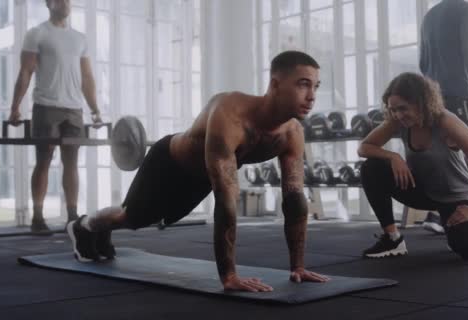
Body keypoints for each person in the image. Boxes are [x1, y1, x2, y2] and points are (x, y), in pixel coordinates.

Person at [66, 50, 330, 292]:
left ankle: (101, 231)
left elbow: (294, 200)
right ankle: (83, 225)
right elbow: (227, 201)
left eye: (315, 86)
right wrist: (229, 276)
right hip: (169, 164)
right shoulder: (229, 114)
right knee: (132, 218)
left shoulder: (292, 133)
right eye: (303, 84)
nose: (312, 96)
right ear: (275, 84)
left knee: (145, 220)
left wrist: (298, 266)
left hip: (200, 178)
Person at [358, 72, 468, 260]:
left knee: (467, 250)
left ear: (421, 103)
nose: (398, 114)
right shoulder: (398, 122)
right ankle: (392, 239)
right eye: (393, 109)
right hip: (422, 191)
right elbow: (364, 147)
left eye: (403, 108)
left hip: (454, 196)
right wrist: (393, 157)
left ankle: (449, 222)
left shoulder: (446, 121)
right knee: (371, 168)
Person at [8, 0, 102, 232]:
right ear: (49, 4)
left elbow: (87, 78)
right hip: (46, 106)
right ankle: (38, 217)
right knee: (44, 159)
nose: (66, 4)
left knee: (71, 162)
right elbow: (26, 71)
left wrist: (95, 110)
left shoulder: (80, 38)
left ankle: (71, 215)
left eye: (68, 0)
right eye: (60, 0)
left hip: (74, 109)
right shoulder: (37, 33)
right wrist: (14, 108)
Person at [420, 0, 468, 236]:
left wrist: (431, 89)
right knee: (465, 155)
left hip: (432, 93)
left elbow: (423, 60)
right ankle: (460, 218)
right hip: (459, 91)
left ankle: (438, 214)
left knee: (443, 154)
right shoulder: (467, 9)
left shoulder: (430, 14)